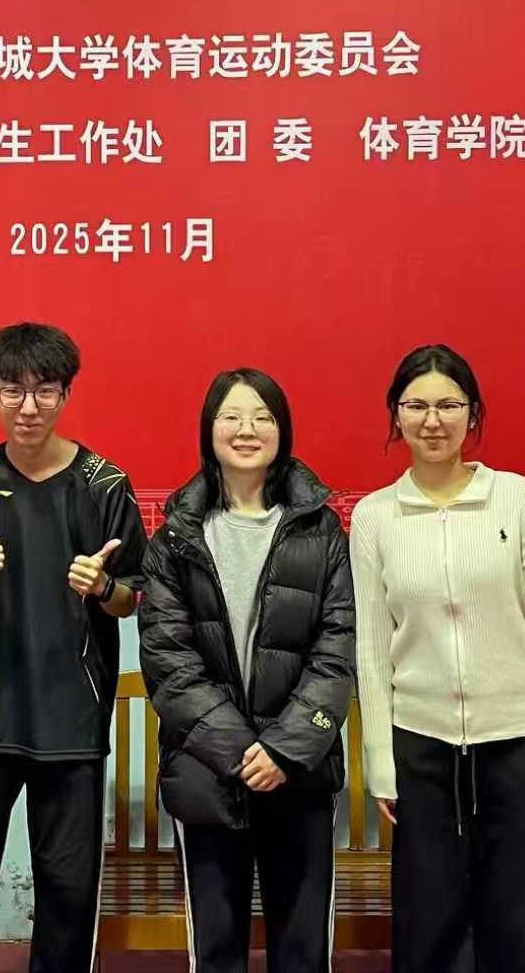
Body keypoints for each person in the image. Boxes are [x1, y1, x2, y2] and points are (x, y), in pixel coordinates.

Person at [348, 343, 525, 973]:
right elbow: (370, 646)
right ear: (396, 415)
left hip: (520, 741)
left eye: (449, 405)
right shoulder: (374, 517)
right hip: (422, 746)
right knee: (430, 925)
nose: (433, 420)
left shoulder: (515, 496)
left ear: (473, 413)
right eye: (416, 406)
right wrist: (381, 760)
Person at [0, 322, 147, 973]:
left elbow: (132, 597)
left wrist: (102, 586)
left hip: (70, 722)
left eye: (44, 390)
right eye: (11, 390)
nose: (28, 407)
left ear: (65, 394)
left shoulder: (103, 484)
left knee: (67, 895)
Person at [138, 367, 355, 972]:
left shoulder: (321, 529)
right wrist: (240, 751)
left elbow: (338, 650)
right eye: (231, 416)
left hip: (298, 771)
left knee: (302, 949)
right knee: (216, 950)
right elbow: (168, 660)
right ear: (209, 430)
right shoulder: (175, 536)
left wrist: (284, 749)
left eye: (262, 417)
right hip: (208, 770)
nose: (246, 430)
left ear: (282, 431)